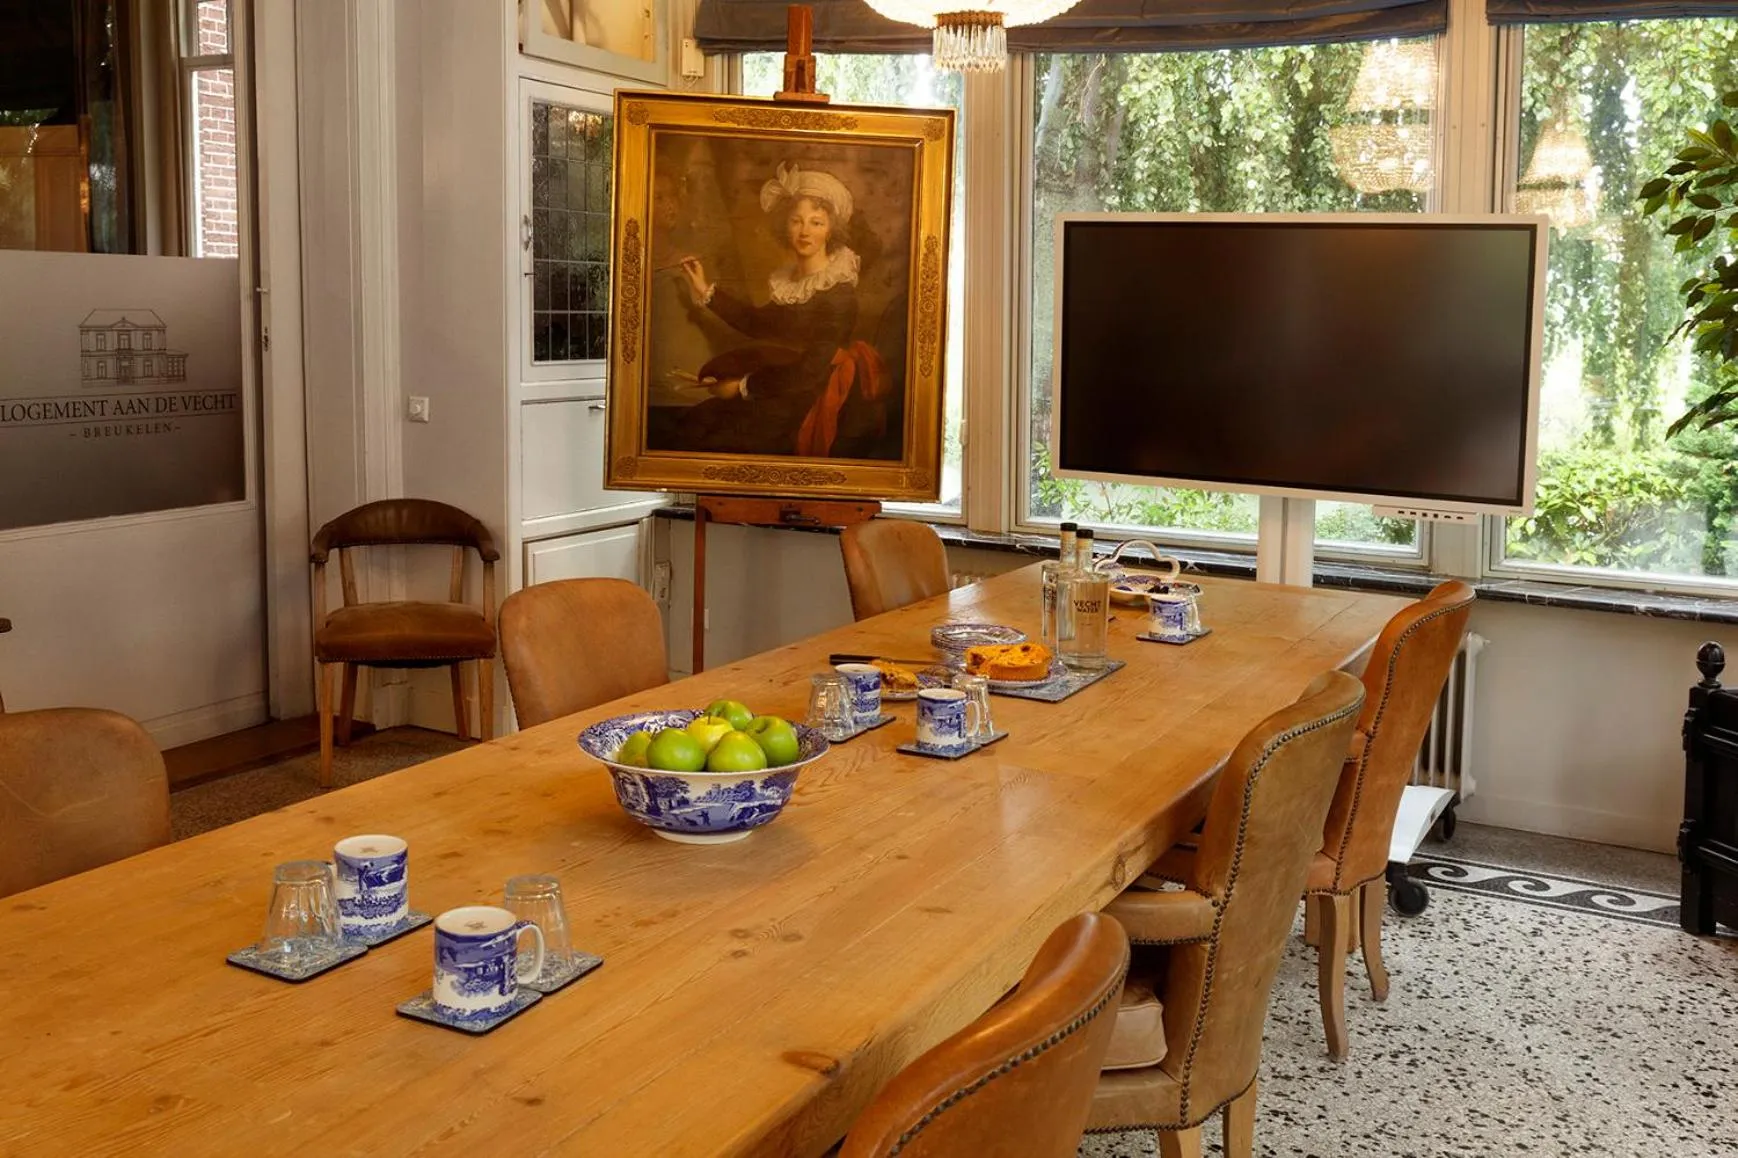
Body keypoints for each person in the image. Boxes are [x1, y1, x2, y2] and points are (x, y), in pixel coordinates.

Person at [664, 162, 894, 460]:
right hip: (784, 385)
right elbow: (758, 323)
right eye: (796, 221)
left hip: (813, 395)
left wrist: (742, 387)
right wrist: (705, 290)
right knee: (693, 426)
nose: (804, 231)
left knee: (713, 435)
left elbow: (810, 370)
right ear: (785, 226)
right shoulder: (791, 281)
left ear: (830, 231)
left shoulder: (838, 292)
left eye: (816, 222)